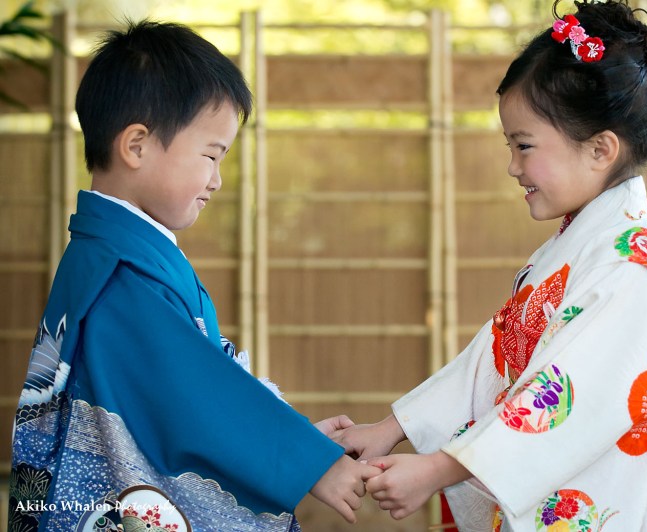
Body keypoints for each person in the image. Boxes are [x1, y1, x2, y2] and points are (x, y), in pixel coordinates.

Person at [335, 1, 647, 530]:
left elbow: (574, 398)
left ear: (600, 150)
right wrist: (391, 428)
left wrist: (438, 469)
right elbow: (494, 355)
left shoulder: (636, 270)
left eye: (524, 146)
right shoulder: (583, 247)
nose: (512, 166)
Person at [8, 20, 379, 532]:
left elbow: (190, 397)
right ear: (136, 146)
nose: (217, 180)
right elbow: (194, 397)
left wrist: (293, 445)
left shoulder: (113, 255)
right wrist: (310, 463)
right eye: (210, 155)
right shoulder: (120, 273)